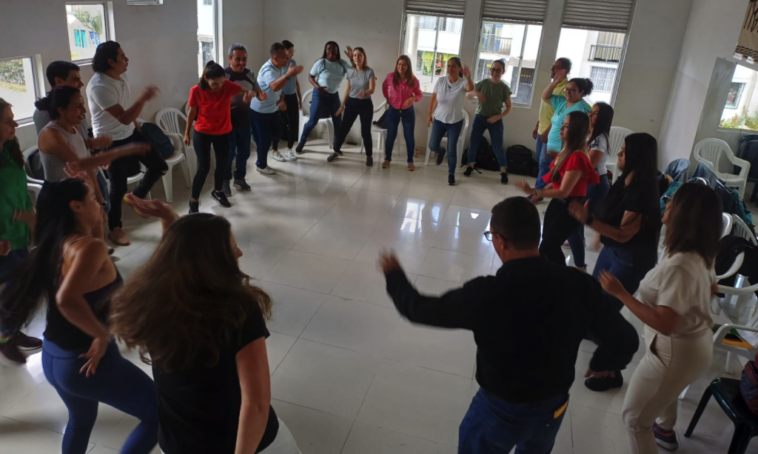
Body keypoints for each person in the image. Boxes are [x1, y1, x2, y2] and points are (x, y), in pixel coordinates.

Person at [379, 196, 639, 454]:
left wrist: (394, 277)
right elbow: (626, 339)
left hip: (500, 410)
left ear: (499, 240)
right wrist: (601, 363)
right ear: (535, 236)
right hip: (554, 405)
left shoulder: (489, 293)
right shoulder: (579, 284)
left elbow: (418, 309)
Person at [109, 204, 298, 454]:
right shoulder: (238, 311)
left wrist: (170, 220)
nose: (240, 252)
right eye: (232, 248)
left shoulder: (152, 300)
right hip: (241, 441)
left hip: (178, 441)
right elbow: (256, 403)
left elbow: (177, 256)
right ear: (212, 263)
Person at [0, 178, 159, 454]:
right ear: (75, 206)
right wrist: (100, 333)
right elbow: (66, 299)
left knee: (81, 420)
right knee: (160, 415)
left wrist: (96, 217)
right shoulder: (89, 248)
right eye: (93, 199)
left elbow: (89, 253)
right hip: (86, 362)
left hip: (54, 357)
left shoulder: (59, 239)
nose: (101, 202)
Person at [599, 182, 720, 453]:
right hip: (693, 346)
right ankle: (665, 429)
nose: (666, 202)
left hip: (676, 350)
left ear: (686, 213)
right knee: (666, 390)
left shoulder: (682, 263)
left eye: (672, 200)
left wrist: (621, 294)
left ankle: (659, 430)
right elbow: (713, 287)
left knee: (633, 420)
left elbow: (666, 323)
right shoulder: (698, 249)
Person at [569, 133, 662, 392]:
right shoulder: (626, 179)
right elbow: (612, 219)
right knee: (596, 299)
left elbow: (623, 233)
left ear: (638, 157)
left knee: (606, 311)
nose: (619, 154)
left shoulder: (642, 192)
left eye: (624, 151)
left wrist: (587, 221)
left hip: (631, 259)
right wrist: (598, 230)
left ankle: (612, 372)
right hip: (614, 250)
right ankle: (593, 330)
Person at [35, 86, 150, 241]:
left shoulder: (74, 127)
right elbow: (80, 163)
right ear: (62, 110)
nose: (84, 110)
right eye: (78, 106)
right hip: (58, 197)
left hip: (78, 188)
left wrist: (95, 146)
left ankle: (100, 261)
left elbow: (83, 150)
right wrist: (124, 150)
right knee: (71, 247)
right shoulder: (51, 134)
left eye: (83, 105)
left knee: (95, 235)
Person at [86, 41, 168, 247]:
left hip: (130, 132)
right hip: (110, 140)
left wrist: (135, 123)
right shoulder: (99, 86)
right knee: (118, 186)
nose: (126, 59)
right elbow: (121, 116)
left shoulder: (121, 77)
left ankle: (136, 198)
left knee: (160, 166)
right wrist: (143, 99)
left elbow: (124, 113)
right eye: (122, 56)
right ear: (110, 61)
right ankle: (115, 229)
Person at [516, 111, 599, 266]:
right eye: (562, 125)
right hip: (558, 204)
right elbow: (556, 180)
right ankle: (559, 278)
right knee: (550, 246)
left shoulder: (577, 157)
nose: (561, 129)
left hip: (570, 207)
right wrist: (538, 195)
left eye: (566, 126)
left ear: (576, 131)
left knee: (546, 249)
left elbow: (564, 191)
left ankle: (563, 277)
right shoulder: (567, 151)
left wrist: (534, 191)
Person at [34, 61, 112, 215]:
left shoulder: (73, 112)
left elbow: (79, 141)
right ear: (58, 81)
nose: (81, 83)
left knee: (101, 213)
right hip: (70, 184)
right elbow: (72, 158)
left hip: (88, 173)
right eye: (75, 79)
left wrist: (94, 145)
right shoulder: (48, 120)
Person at [0, 99, 43, 366]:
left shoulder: (8, 150)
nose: (15, 124)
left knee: (19, 286)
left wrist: (30, 221)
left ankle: (9, 332)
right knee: (15, 287)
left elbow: (18, 191)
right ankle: (6, 336)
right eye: (7, 121)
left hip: (15, 231)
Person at [185, 61, 257, 214]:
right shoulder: (196, 90)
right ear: (205, 78)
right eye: (214, 84)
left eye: (221, 82)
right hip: (202, 132)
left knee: (223, 165)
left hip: (223, 132)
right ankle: (193, 201)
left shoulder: (227, 85)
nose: (219, 86)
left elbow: (245, 90)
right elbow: (192, 112)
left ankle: (217, 191)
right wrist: (186, 133)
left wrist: (249, 94)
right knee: (204, 168)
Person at [566, 102, 614, 271]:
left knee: (572, 222)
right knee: (576, 219)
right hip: (589, 181)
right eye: (591, 112)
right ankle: (580, 242)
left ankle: (580, 265)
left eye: (595, 114)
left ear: (603, 118)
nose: (590, 116)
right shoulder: (591, 133)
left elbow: (589, 164)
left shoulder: (600, 138)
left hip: (595, 183)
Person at [533, 70, 593, 204]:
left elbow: (585, 131)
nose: (568, 92)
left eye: (572, 90)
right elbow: (545, 96)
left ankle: (543, 194)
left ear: (581, 92)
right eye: (567, 89)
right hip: (551, 143)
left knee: (559, 172)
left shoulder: (584, 108)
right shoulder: (562, 101)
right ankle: (540, 192)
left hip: (566, 147)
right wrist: (554, 83)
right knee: (544, 168)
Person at [250, 42, 304, 176]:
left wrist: (281, 98)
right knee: (265, 139)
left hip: (272, 109)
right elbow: (274, 86)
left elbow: (276, 89)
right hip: (260, 111)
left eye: (288, 55)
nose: (288, 59)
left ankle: (257, 136)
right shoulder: (268, 70)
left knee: (279, 130)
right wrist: (288, 75)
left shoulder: (280, 66)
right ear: (275, 58)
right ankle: (261, 165)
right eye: (285, 57)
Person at [294, 41, 352, 155]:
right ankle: (302, 142)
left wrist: (351, 59)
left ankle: (336, 148)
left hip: (333, 95)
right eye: (328, 49)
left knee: (338, 122)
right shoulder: (321, 62)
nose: (330, 51)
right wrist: (317, 86)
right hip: (320, 94)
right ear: (325, 51)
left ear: (337, 50)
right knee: (313, 121)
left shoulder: (342, 64)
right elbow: (310, 76)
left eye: (333, 49)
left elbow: (354, 72)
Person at [427, 57, 474, 185]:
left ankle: (451, 174)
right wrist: (429, 114)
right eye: (449, 66)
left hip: (455, 121)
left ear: (459, 68)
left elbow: (470, 88)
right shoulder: (441, 81)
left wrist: (468, 77)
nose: (450, 68)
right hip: (439, 119)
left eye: (453, 66)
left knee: (452, 148)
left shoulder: (462, 83)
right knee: (432, 145)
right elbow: (433, 98)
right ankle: (441, 151)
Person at [464, 59, 513, 185]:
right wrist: (476, 94)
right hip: (480, 118)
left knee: (498, 147)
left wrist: (498, 117)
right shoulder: (484, 83)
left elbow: (509, 107)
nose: (495, 72)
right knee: (473, 143)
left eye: (498, 70)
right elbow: (468, 95)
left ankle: (503, 171)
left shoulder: (504, 88)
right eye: (493, 69)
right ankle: (470, 166)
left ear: (503, 72)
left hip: (495, 120)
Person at [224, 43, 263, 195]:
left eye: (244, 59)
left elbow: (258, 93)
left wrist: (259, 95)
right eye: (237, 59)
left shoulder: (250, 74)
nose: (241, 63)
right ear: (229, 59)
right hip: (226, 122)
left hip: (245, 120)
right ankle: (225, 181)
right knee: (228, 154)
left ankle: (239, 178)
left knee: (244, 152)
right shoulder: (223, 75)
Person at [328, 47, 377, 166]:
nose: (357, 57)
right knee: (343, 129)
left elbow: (372, 89)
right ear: (352, 58)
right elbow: (348, 89)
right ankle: (336, 151)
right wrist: (342, 105)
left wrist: (365, 92)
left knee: (365, 132)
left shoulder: (369, 71)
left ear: (364, 57)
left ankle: (369, 156)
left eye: (359, 55)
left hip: (365, 104)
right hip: (352, 103)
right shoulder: (350, 72)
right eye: (355, 55)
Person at [532, 58, 571, 202]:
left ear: (564, 71)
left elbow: (560, 115)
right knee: (541, 162)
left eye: (556, 68)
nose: (552, 70)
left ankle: (539, 194)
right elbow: (546, 109)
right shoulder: (553, 85)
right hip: (543, 130)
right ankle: (543, 189)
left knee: (544, 163)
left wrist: (547, 132)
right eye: (552, 67)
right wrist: (538, 126)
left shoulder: (566, 89)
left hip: (552, 133)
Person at [381, 55, 422, 171]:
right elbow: (384, 87)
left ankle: (410, 161)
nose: (401, 67)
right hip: (393, 110)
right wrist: (387, 98)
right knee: (390, 136)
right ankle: (387, 159)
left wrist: (412, 99)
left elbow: (419, 94)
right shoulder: (391, 77)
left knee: (409, 137)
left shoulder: (414, 80)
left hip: (408, 112)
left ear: (408, 66)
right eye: (399, 64)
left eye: (404, 64)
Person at [271, 40, 302, 162]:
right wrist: (280, 100)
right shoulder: (278, 65)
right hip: (281, 98)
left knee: (294, 124)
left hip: (292, 96)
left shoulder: (293, 62)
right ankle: (274, 150)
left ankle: (289, 150)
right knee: (280, 125)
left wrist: (299, 98)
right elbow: (275, 85)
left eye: (292, 53)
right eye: (289, 52)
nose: (291, 55)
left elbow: (296, 82)